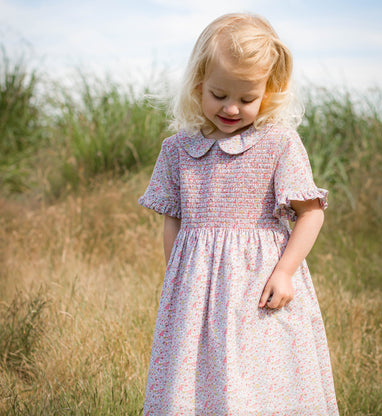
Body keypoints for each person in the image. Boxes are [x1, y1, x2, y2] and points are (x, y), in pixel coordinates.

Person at [139, 12, 339, 415]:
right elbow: (173, 219)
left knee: (261, 379)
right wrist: (174, 277)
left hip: (258, 286)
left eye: (246, 99)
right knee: (195, 378)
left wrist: (284, 271)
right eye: (219, 94)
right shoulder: (178, 150)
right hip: (196, 291)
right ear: (198, 85)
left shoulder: (278, 143)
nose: (231, 108)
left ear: (269, 90)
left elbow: (311, 212)